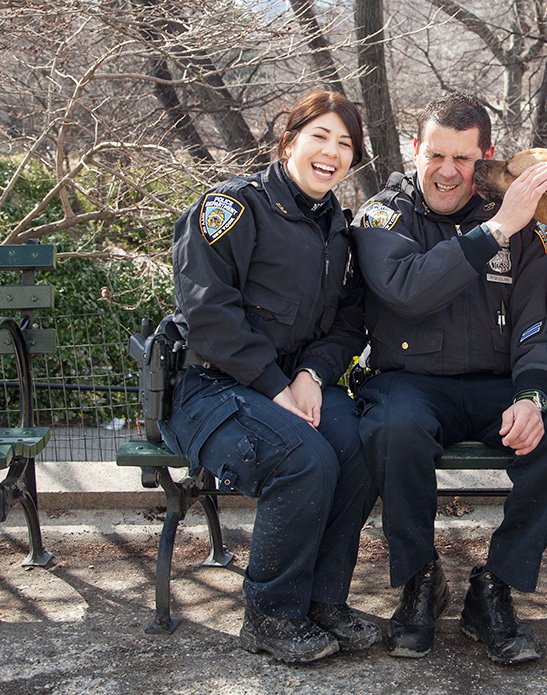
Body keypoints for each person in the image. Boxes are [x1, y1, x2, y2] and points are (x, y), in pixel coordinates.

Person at [351, 91, 547, 666]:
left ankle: (496, 588)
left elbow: (538, 326)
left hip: (498, 384)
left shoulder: (517, 222)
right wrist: (495, 232)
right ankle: (419, 579)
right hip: (410, 382)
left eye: (463, 158)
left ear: (484, 156)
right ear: (415, 150)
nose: (446, 171)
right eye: (435, 154)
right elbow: (407, 291)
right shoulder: (383, 215)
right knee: (393, 425)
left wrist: (533, 394)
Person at [159, 90, 378, 664]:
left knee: (358, 446)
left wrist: (311, 373)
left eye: (346, 144)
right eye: (320, 137)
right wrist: (275, 385)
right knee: (304, 459)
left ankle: (324, 602)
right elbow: (208, 313)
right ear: (288, 143)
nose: (331, 153)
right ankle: (271, 615)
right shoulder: (233, 207)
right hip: (210, 390)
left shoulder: (340, 229)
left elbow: (351, 322)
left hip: (292, 383)